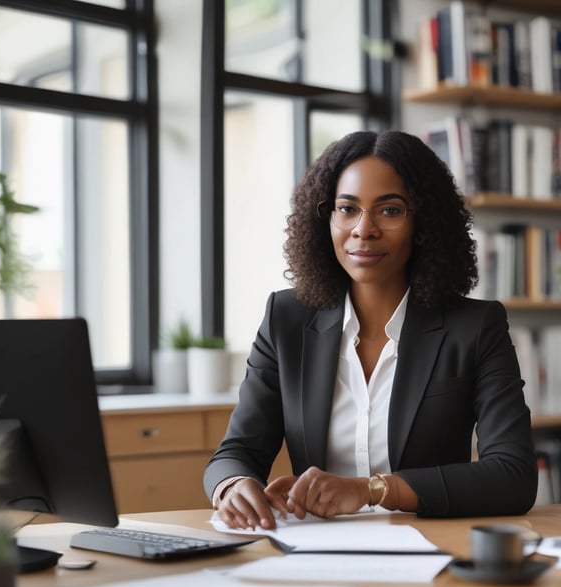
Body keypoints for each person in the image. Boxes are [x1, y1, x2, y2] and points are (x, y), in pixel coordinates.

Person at [205, 130, 538, 530]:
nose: (364, 229)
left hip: (429, 548)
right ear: (325, 219)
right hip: (314, 550)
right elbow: (238, 450)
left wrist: (371, 490)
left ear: (424, 224)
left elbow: (513, 476)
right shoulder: (286, 318)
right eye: (347, 209)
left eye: (390, 210)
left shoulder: (475, 328)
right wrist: (234, 485)